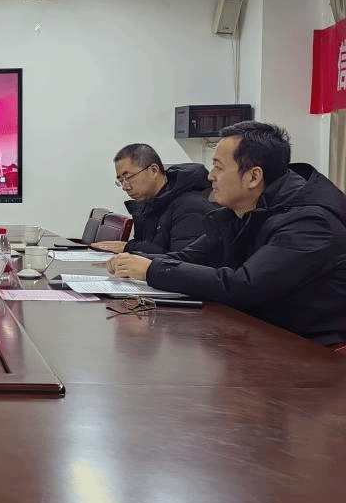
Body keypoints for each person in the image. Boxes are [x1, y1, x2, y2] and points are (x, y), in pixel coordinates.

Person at [108, 121, 346, 347]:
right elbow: (190, 257)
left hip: (311, 352)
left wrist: (152, 270)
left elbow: (244, 286)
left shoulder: (310, 222)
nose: (210, 176)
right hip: (256, 336)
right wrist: (134, 262)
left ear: (253, 177)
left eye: (219, 167)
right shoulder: (243, 210)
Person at [92, 144, 213, 254]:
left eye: (128, 177)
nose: (125, 187)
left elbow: (182, 263)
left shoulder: (190, 206)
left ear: (153, 171)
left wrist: (130, 247)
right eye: (120, 181)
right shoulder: (148, 203)